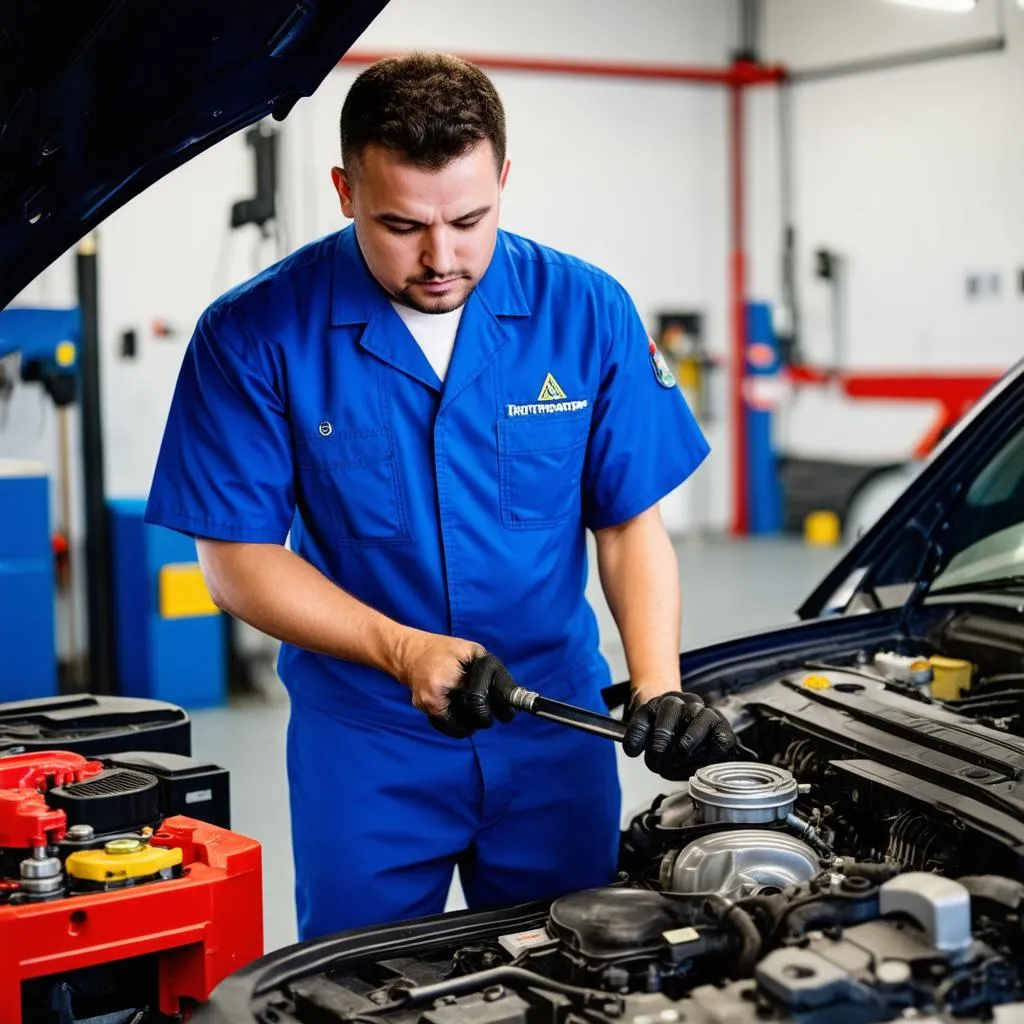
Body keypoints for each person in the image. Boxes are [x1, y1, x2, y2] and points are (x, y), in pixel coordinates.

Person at [145, 52, 735, 941]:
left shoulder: (586, 310)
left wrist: (656, 683)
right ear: (345, 190)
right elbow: (238, 564)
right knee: (356, 985)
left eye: (470, 219)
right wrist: (401, 650)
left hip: (556, 728)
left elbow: (626, 523)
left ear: (503, 178)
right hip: (369, 742)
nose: (440, 257)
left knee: (581, 964)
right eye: (400, 225)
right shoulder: (255, 333)